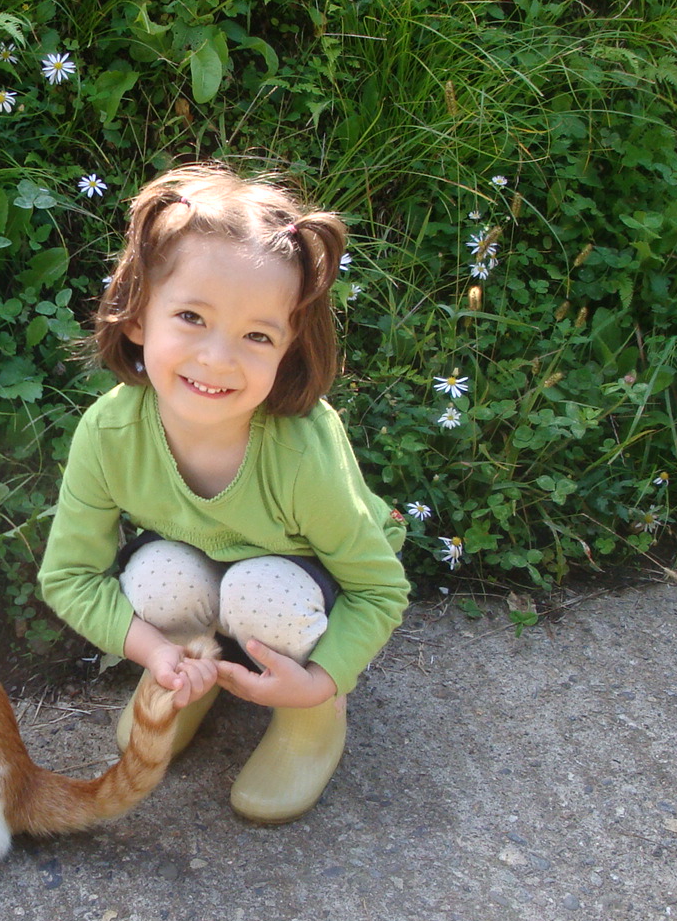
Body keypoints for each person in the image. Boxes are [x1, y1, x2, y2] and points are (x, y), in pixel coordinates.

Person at [38, 161, 409, 822]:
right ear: (137, 316)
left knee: (260, 591)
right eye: (191, 316)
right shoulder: (110, 432)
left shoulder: (300, 454)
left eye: (257, 335)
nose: (218, 358)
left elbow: (378, 590)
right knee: (156, 576)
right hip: (205, 571)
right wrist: (159, 653)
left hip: (300, 580)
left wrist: (321, 682)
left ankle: (311, 721)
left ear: (288, 349)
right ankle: (194, 673)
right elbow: (69, 576)